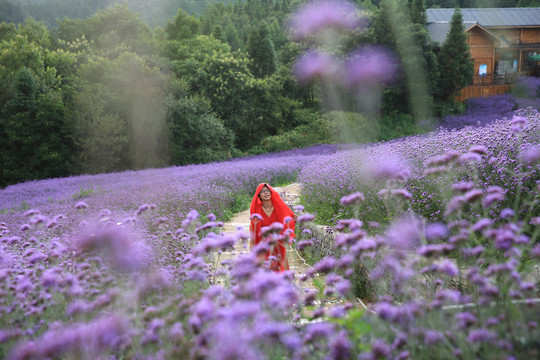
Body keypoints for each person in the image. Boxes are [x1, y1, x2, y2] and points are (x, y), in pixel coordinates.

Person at [249, 183, 296, 272]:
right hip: (264, 244)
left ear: (271, 192)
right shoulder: (257, 211)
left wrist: (294, 218)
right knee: (265, 267)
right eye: (262, 191)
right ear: (259, 195)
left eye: (268, 190)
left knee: (280, 266)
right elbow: (253, 227)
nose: (266, 193)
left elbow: (288, 217)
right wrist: (252, 245)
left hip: (278, 242)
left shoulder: (278, 207)